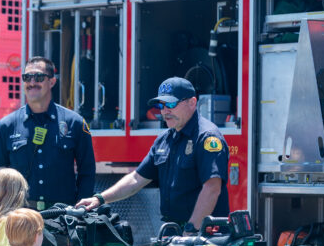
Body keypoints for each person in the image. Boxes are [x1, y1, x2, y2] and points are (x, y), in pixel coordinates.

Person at [76, 77, 229, 235]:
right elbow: (136, 179)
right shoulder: (164, 140)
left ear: (192, 103)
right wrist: (100, 199)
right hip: (174, 232)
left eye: (170, 104)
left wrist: (191, 230)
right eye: (160, 105)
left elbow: (212, 188)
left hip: (205, 235)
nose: (164, 111)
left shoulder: (207, 138)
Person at [0, 56, 96, 209]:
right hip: (20, 220)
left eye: (38, 77)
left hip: (62, 218)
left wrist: (81, 212)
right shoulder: (7, 126)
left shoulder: (75, 123)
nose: (32, 82)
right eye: (27, 77)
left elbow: (87, 172)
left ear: (52, 82)